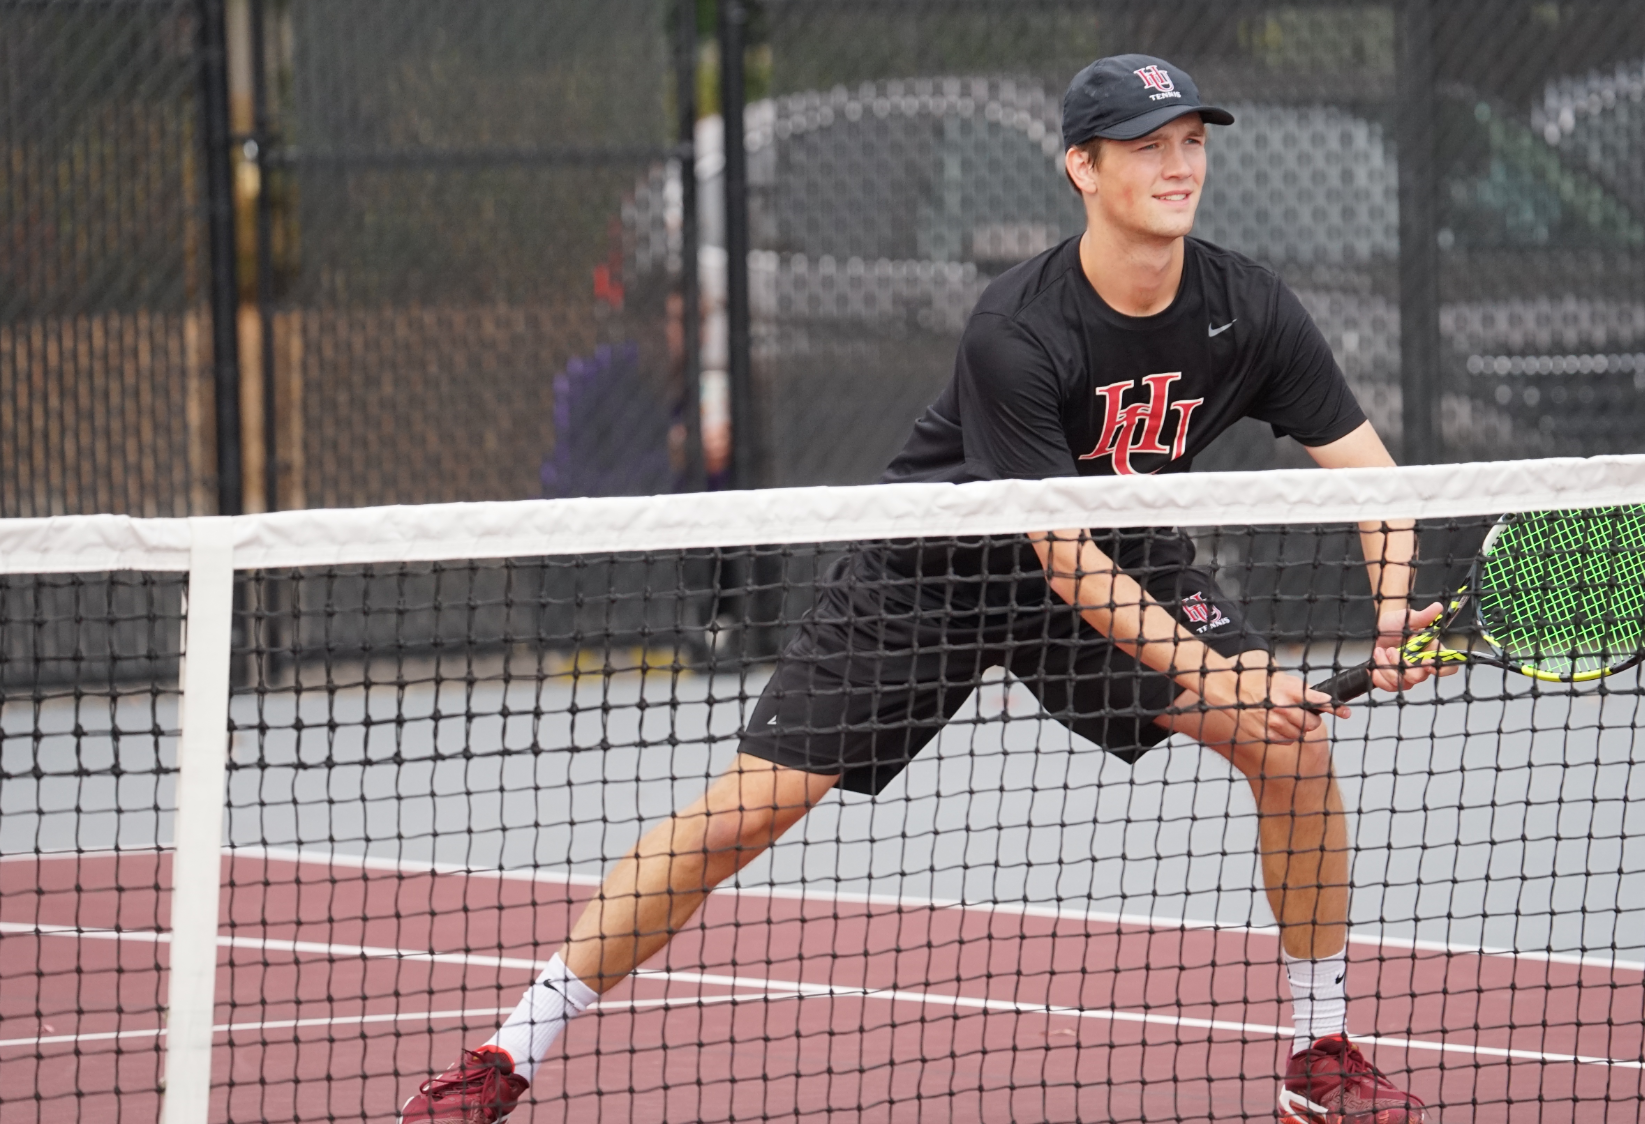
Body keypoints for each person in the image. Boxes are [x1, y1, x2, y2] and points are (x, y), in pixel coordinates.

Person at [401, 53, 1447, 1124]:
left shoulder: (1247, 307)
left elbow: (1372, 478)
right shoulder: (1019, 326)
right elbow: (1062, 559)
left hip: (1124, 555)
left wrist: (1386, 607)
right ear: (1080, 168)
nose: (1178, 166)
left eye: (1190, 142)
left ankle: (1318, 1057)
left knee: (1294, 747)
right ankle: (505, 1054)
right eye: (1146, 146)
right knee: (741, 816)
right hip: (938, 569)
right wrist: (1218, 678)